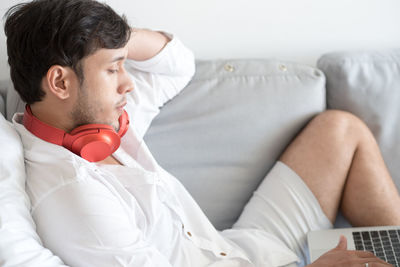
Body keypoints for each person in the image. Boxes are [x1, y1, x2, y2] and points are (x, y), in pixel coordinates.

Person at [4, 0, 400, 266]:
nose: (130, 84)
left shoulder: (95, 122)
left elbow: (177, 64)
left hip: (243, 248)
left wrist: (113, 40)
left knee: (340, 129)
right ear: (59, 81)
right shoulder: (73, 197)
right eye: (113, 70)